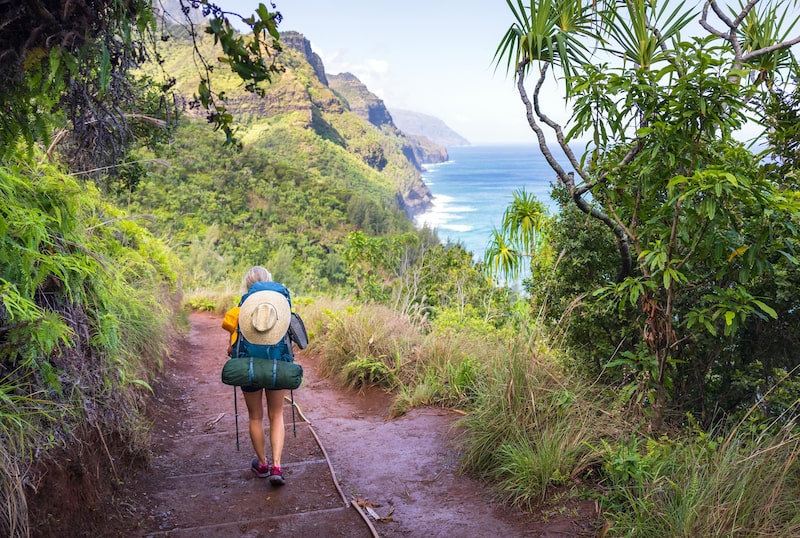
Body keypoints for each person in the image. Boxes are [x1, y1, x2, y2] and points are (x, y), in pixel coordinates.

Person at [223, 266, 294, 486]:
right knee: (277, 414)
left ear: (248, 286)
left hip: (249, 368)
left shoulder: (241, 309)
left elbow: (231, 346)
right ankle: (277, 467)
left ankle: (262, 464)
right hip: (278, 367)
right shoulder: (281, 308)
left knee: (255, 416)